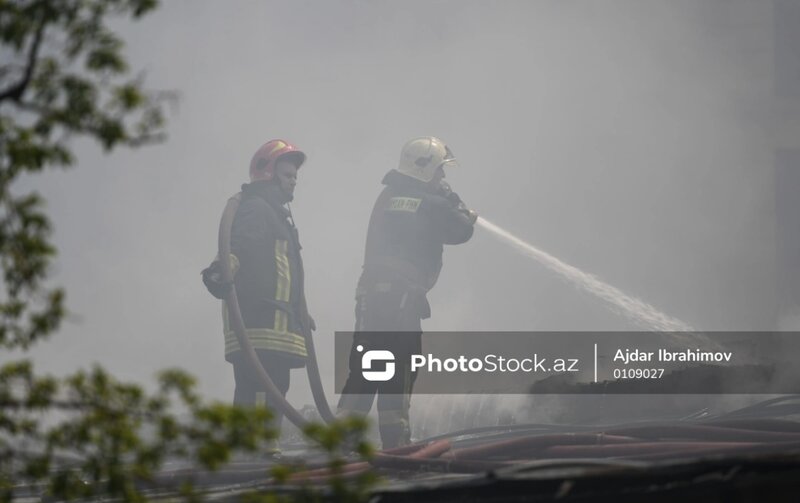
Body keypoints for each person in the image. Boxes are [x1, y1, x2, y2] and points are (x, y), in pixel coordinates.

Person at [337, 136, 477, 448]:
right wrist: (454, 201)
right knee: (399, 366)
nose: (443, 178)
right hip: (401, 298)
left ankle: (341, 444)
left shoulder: (389, 197)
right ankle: (396, 447)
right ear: (425, 171)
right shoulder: (429, 203)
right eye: (440, 172)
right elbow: (460, 230)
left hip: (371, 295)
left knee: (366, 367)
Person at [219, 139, 315, 442]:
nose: (293, 183)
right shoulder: (257, 209)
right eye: (288, 176)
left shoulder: (276, 214)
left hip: (276, 327)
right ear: (268, 175)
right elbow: (238, 249)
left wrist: (301, 310)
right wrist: (222, 269)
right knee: (259, 393)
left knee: (273, 392)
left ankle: (261, 454)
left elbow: (283, 271)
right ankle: (252, 460)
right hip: (260, 326)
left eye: (295, 177)